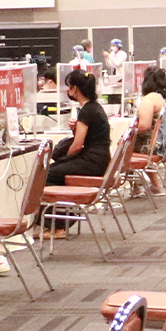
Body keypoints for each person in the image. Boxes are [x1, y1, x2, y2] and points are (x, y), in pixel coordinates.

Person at [40, 71, 110, 232]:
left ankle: (59, 225)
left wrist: (66, 158)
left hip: (92, 162)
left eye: (69, 87)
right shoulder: (94, 107)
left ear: (75, 89)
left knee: (48, 174)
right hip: (99, 160)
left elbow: (77, 146)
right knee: (56, 169)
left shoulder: (87, 111)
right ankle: (61, 221)